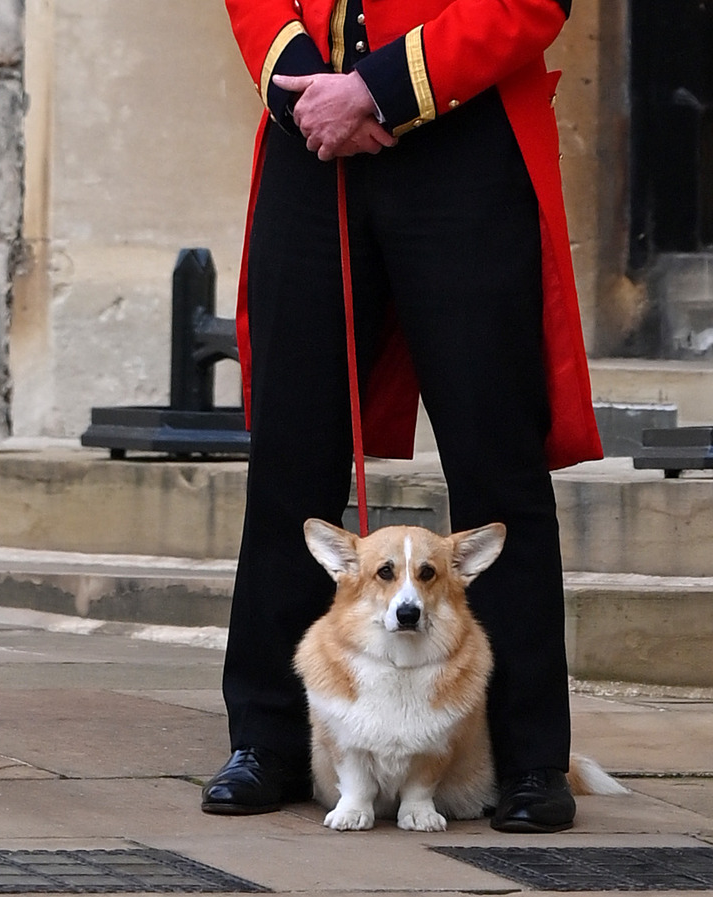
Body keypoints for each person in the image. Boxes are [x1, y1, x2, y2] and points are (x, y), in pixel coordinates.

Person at [206, 0, 601, 833]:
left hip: (463, 132)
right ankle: (269, 738)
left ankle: (528, 755)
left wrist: (379, 88)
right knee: (289, 457)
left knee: (497, 464)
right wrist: (304, 85)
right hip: (312, 137)